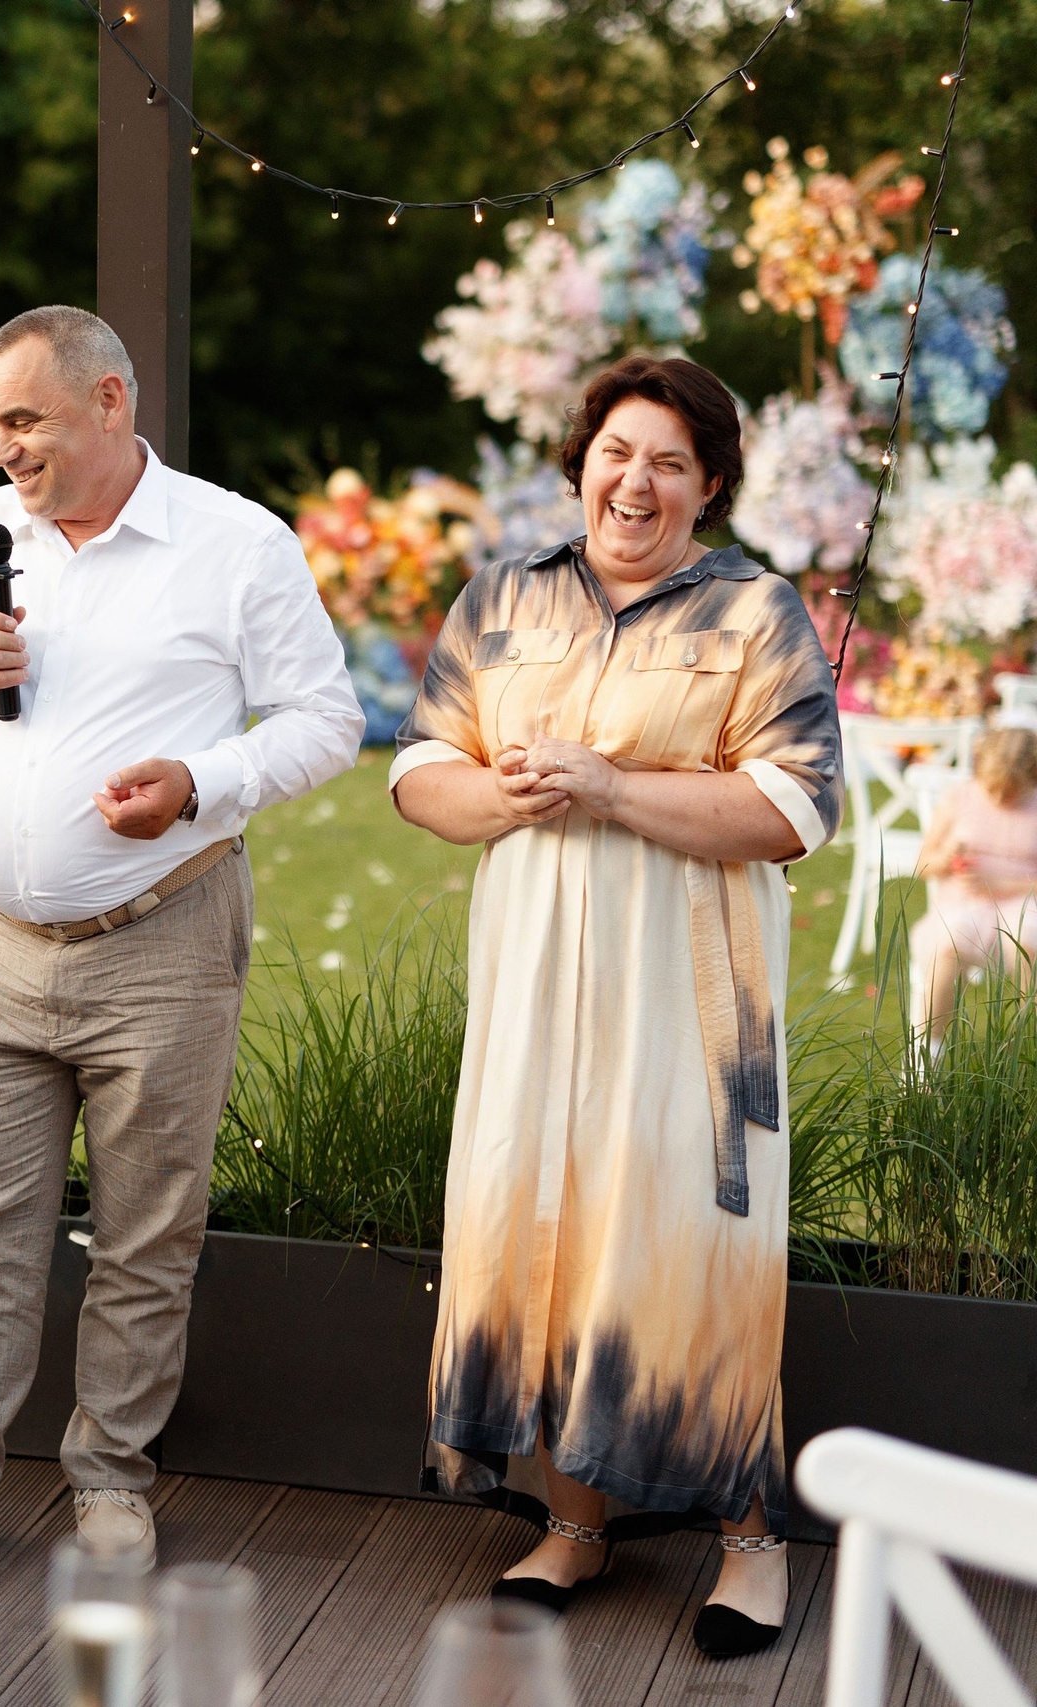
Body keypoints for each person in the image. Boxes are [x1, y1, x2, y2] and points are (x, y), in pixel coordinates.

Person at [0, 307, 363, 1589]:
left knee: (145, 1235)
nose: (6, 450)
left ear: (111, 402)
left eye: (27, 421)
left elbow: (327, 720)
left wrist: (199, 779)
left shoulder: (233, 545)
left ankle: (111, 1481)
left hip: (162, 941)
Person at [390, 355, 843, 1660]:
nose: (633, 481)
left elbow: (791, 808)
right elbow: (424, 767)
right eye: (615, 450)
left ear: (709, 487)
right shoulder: (507, 596)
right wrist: (510, 796)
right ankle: (575, 1519)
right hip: (535, 995)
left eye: (668, 463)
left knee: (700, 1243)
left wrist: (606, 783)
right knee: (547, 1225)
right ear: (582, 458)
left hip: (692, 1008)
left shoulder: (757, 612)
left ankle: (751, 1543)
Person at [911, 720, 1037, 1046]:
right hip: (963, 905)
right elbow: (923, 866)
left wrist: (1002, 884)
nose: (997, 797)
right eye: (991, 788)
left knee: (1029, 940)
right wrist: (947, 857)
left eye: (1009, 791)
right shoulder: (962, 797)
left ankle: (1023, 1048)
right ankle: (929, 1053)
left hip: (1021, 904)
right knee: (948, 940)